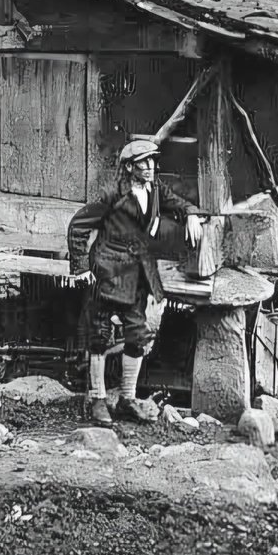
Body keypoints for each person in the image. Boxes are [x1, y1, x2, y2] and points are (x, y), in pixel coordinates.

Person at [67, 137, 203, 424]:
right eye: (144, 163)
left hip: (139, 273)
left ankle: (127, 399)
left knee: (137, 335)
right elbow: (78, 226)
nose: (151, 167)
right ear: (130, 167)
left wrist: (190, 214)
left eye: (153, 161)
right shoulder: (112, 194)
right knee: (100, 338)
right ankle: (98, 401)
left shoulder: (155, 190)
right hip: (109, 272)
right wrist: (82, 267)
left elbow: (176, 202)